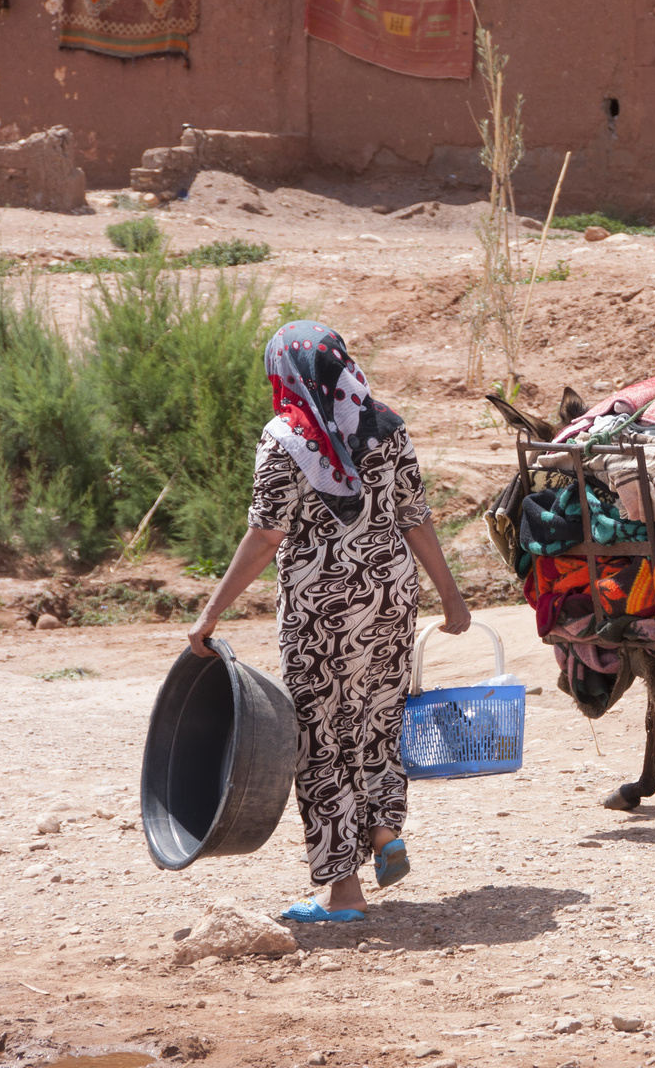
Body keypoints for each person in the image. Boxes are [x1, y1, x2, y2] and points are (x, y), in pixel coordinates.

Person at [187, 320, 471, 922]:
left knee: (319, 738)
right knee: (378, 719)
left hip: (322, 610)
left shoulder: (287, 435)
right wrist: (451, 597)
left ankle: (343, 893)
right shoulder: (387, 424)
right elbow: (415, 516)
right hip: (391, 596)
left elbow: (267, 536)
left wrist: (210, 614)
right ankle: (385, 828)